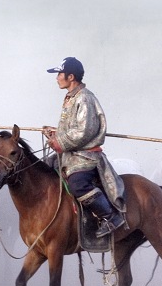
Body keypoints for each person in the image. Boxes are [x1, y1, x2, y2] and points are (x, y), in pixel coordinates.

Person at [41, 57, 126, 238]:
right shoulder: (71, 97)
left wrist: (58, 142)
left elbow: (84, 132)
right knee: (42, 169)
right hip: (70, 153)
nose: (57, 78)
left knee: (78, 185)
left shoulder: (85, 98)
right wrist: (54, 133)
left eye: (59, 74)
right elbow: (72, 128)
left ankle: (110, 217)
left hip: (84, 156)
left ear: (71, 77)